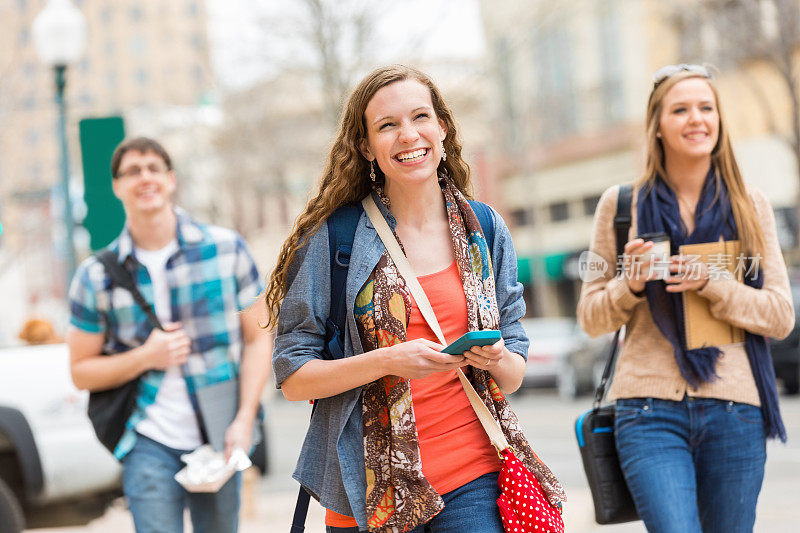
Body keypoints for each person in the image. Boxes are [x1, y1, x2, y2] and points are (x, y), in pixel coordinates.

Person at [266, 65, 565, 533]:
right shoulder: (335, 238)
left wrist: (496, 355)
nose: (408, 135)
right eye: (387, 125)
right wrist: (388, 360)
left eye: (420, 117)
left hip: (475, 476)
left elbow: (513, 375)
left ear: (442, 127)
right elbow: (294, 379)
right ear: (365, 147)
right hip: (367, 493)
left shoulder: (483, 229)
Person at [577, 64, 794, 533]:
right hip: (648, 410)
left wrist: (714, 283)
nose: (696, 119)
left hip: (736, 409)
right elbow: (590, 317)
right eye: (680, 109)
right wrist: (629, 284)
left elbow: (780, 316)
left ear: (719, 120)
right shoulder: (619, 206)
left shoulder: (750, 205)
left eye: (706, 108)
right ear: (657, 125)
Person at [67, 137, 272, 533]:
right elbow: (80, 371)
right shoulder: (95, 276)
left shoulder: (226, 249)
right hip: (148, 440)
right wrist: (146, 356)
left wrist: (245, 419)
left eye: (152, 168)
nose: (144, 178)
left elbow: (258, 337)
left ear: (170, 179)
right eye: (131, 171)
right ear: (117, 187)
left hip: (220, 433)